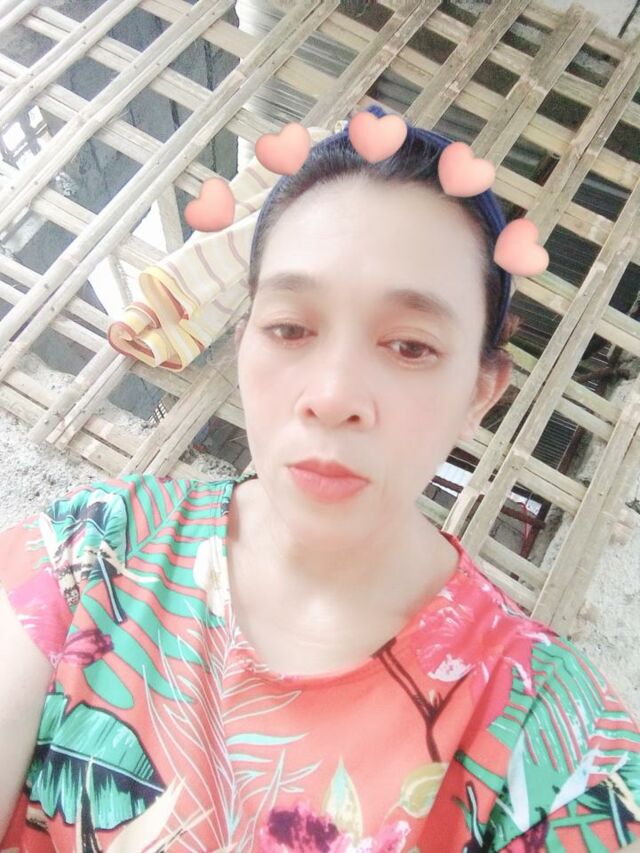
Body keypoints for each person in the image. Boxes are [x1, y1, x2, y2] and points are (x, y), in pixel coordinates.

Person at [1, 105, 639, 853]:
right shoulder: (92, 555)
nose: (332, 396)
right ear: (243, 341)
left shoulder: (552, 746)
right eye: (290, 328)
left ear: (480, 392)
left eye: (410, 345)